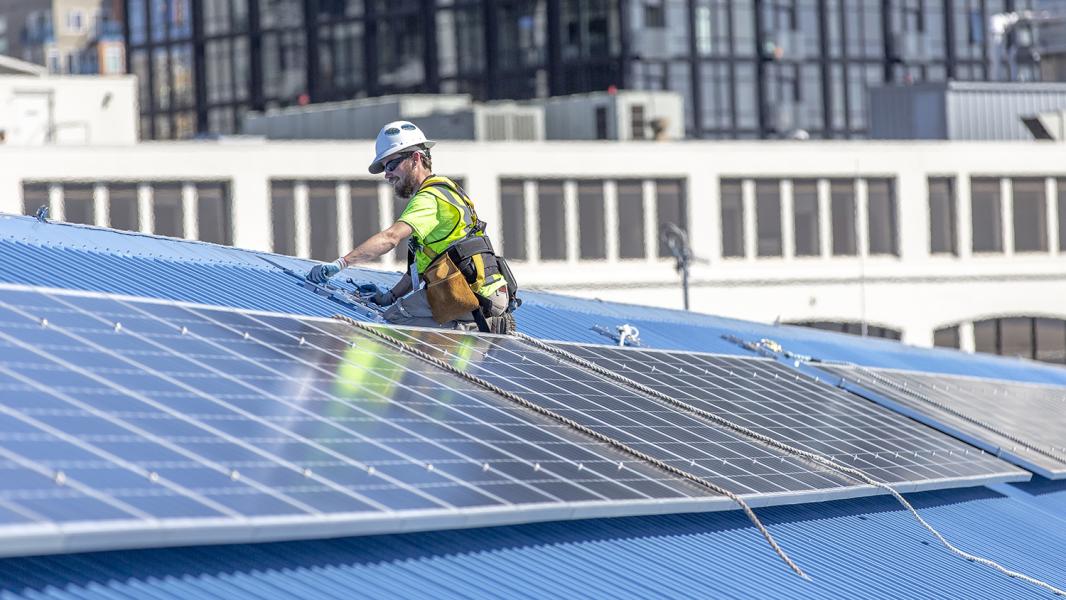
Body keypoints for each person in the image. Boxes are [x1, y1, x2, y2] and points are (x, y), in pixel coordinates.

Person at [307, 120, 516, 334]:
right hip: (481, 293)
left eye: (391, 165)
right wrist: (389, 296)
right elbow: (418, 270)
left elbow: (390, 238)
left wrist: (341, 263)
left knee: (394, 320)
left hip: (474, 296)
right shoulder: (446, 190)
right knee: (399, 313)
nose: (387, 174)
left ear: (415, 158)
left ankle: (478, 328)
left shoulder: (430, 198)